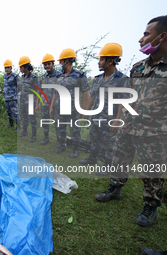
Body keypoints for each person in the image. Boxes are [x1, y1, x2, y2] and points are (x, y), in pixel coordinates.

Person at [95, 15, 167, 228]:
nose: (141, 39)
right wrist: (119, 120)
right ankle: (115, 188)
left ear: (162, 36)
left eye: (146, 34)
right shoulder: (137, 68)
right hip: (129, 125)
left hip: (154, 132)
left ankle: (150, 206)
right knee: (120, 159)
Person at [79, 43, 130, 176]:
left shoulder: (122, 80)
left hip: (110, 119)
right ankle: (92, 159)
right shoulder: (98, 79)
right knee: (94, 140)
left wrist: (118, 120)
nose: (98, 62)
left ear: (110, 61)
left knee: (109, 144)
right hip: (96, 118)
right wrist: (86, 111)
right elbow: (92, 96)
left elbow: (124, 102)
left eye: (101, 59)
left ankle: (108, 167)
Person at [49, 48, 90, 158]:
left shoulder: (79, 75)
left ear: (66, 61)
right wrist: (52, 107)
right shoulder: (59, 77)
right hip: (59, 108)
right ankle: (61, 145)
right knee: (60, 128)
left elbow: (86, 91)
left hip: (73, 109)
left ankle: (76, 150)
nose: (59, 64)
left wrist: (84, 108)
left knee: (75, 130)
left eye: (61, 61)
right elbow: (55, 92)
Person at [35, 53, 62, 145]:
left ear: (53, 64)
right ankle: (46, 138)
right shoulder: (42, 78)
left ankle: (59, 141)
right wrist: (37, 104)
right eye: (45, 65)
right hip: (45, 104)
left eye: (49, 64)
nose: (47, 66)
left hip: (56, 105)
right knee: (45, 121)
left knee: (57, 123)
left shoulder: (59, 75)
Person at [18, 56, 38, 142]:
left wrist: (36, 105)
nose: (20, 68)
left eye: (21, 67)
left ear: (26, 67)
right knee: (24, 117)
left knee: (32, 118)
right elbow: (20, 89)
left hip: (30, 102)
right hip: (22, 101)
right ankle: (25, 131)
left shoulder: (34, 78)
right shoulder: (22, 77)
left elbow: (37, 92)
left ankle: (34, 135)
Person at [3, 59, 20, 129]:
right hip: (6, 97)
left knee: (15, 112)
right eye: (6, 68)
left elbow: (20, 85)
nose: (7, 69)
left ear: (11, 68)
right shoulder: (4, 76)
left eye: (8, 67)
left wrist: (16, 94)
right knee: (9, 112)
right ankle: (11, 124)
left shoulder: (15, 76)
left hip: (13, 98)